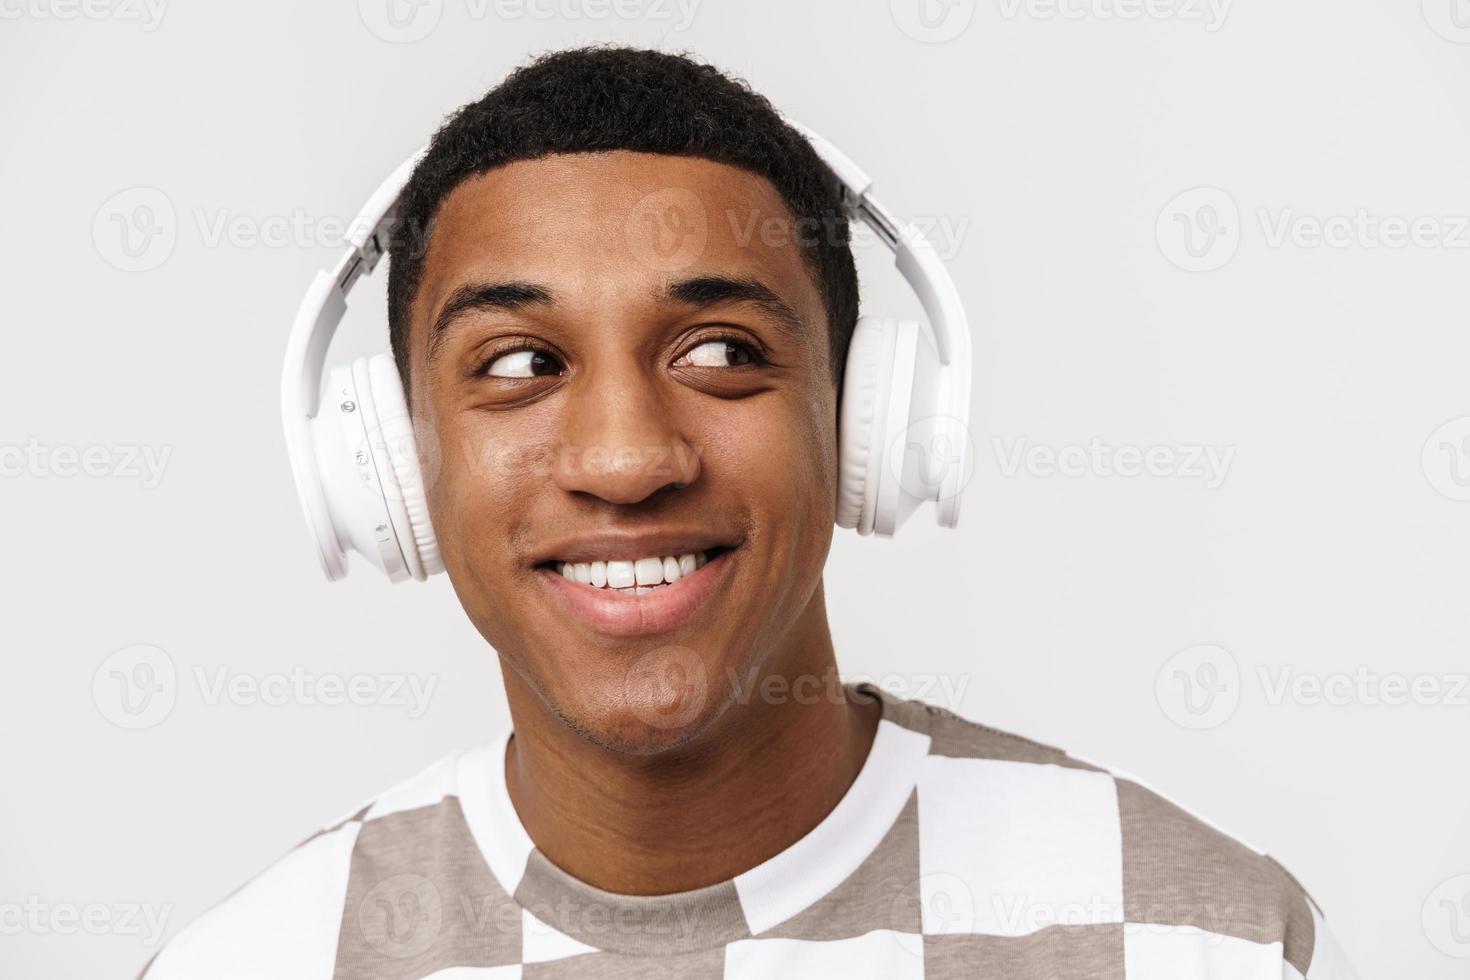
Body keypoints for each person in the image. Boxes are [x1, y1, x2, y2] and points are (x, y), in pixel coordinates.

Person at [137, 45, 1356, 979]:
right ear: (399, 467)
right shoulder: (251, 963)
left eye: (720, 349)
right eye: (516, 364)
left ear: (862, 420)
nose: (624, 460)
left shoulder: (1198, 938)